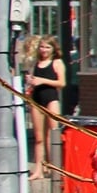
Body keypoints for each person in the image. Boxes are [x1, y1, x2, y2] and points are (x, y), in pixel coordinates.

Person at [25, 36, 65, 181]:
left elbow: (61, 83)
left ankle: (55, 167)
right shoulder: (35, 63)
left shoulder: (57, 62)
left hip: (51, 99)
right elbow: (31, 81)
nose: (44, 50)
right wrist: (30, 84)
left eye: (47, 47)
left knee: (53, 135)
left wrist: (42, 81)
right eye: (42, 47)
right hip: (37, 100)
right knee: (39, 138)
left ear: (53, 49)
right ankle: (38, 169)